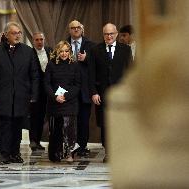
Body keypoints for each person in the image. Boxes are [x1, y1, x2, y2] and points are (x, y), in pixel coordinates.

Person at [0, 22, 39, 164]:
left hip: (22, 96)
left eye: (19, 33)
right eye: (14, 33)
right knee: (4, 126)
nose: (18, 35)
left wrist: (34, 95)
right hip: (2, 96)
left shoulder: (28, 51)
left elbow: (34, 75)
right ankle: (4, 153)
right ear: (6, 34)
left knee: (18, 127)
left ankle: (15, 153)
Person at [90, 23, 132, 162]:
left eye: (111, 34)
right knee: (105, 124)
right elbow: (92, 74)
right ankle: (108, 152)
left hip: (121, 94)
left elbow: (130, 72)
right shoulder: (96, 50)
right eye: (106, 34)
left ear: (116, 34)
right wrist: (94, 92)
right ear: (103, 35)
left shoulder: (125, 50)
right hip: (102, 95)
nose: (109, 36)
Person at [44, 41, 81, 163]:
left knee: (69, 130)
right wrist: (55, 97)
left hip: (69, 103)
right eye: (61, 51)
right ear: (57, 52)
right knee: (55, 130)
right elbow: (47, 84)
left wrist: (66, 96)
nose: (64, 53)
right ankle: (56, 153)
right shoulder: (51, 65)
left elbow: (77, 85)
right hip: (55, 103)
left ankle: (70, 153)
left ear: (69, 52)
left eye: (66, 51)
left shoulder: (75, 65)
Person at [67, 20, 95, 156]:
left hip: (85, 89)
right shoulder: (64, 44)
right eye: (73, 28)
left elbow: (97, 64)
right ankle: (70, 145)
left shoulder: (90, 45)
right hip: (70, 89)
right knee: (70, 120)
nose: (76, 30)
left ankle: (82, 146)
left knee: (84, 119)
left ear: (82, 29)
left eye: (78, 28)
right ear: (69, 30)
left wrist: (87, 58)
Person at [29, 32, 52, 151]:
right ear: (33, 41)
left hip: (48, 90)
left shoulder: (50, 51)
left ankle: (39, 141)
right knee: (34, 116)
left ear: (44, 40)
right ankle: (33, 141)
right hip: (35, 90)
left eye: (41, 39)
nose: (39, 42)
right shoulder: (29, 53)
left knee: (44, 116)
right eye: (37, 40)